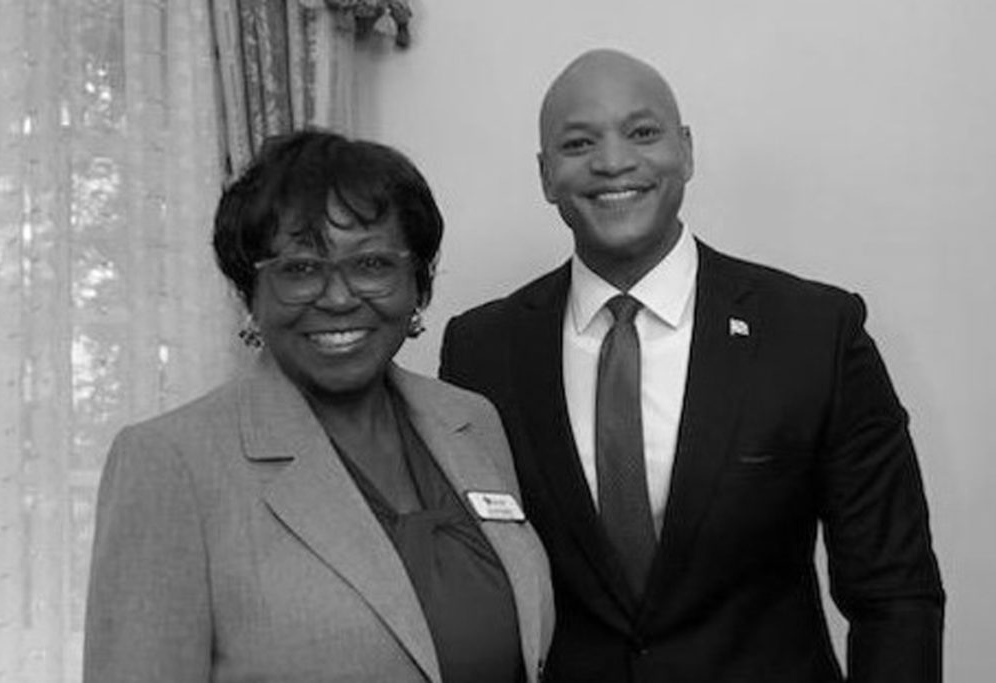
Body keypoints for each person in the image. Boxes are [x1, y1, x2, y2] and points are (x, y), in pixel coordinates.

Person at [439, 49, 944, 682]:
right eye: (578, 142)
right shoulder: (482, 350)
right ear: (546, 176)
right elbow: (471, 582)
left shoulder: (814, 332)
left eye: (642, 133)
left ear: (687, 151)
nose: (613, 161)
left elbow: (894, 593)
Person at [83, 130, 554, 683]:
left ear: (417, 284)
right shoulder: (170, 462)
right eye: (300, 269)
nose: (337, 297)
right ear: (249, 293)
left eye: (373, 264)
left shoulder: (472, 421)